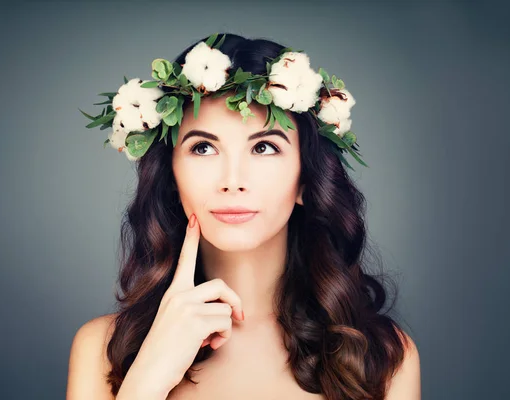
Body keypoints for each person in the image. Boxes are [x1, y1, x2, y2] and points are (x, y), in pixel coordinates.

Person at [67, 33, 421, 400]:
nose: (233, 181)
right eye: (203, 148)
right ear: (171, 177)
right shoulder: (100, 350)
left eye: (265, 147)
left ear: (306, 179)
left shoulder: (384, 357)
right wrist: (146, 381)